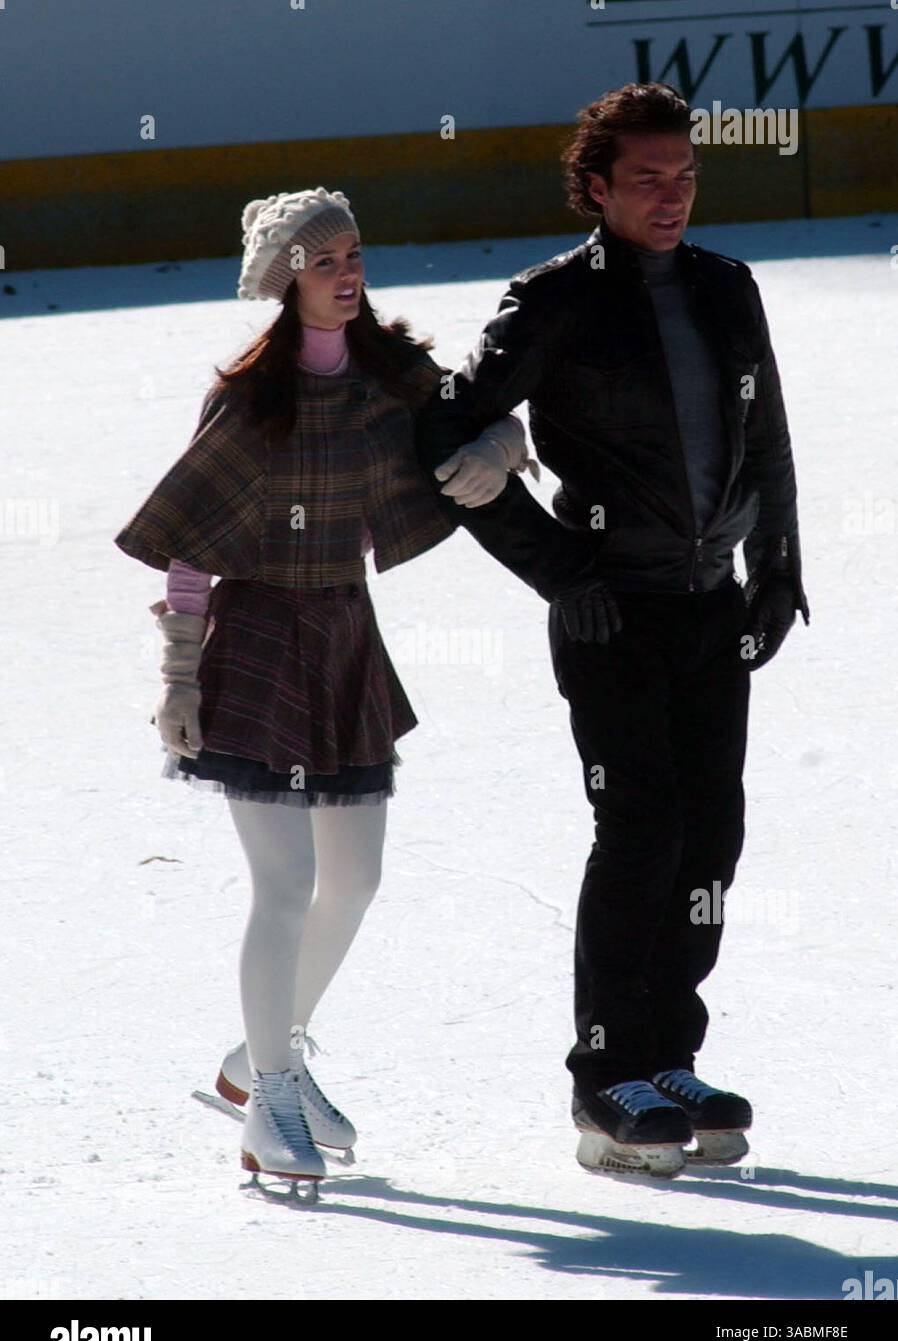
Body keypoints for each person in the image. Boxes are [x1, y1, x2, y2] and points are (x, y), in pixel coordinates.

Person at [414, 84, 810, 1177]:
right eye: (646, 179)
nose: (672, 196)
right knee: (638, 830)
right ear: (596, 187)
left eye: (684, 176)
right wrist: (554, 568)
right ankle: (604, 1078)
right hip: (610, 608)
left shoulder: (729, 288)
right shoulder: (550, 303)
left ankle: (669, 1055)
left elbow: (764, 431)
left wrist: (776, 565)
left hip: (710, 601)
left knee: (709, 833)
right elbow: (443, 440)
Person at [114, 187, 532, 1197]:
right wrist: (178, 675)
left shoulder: (392, 372)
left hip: (344, 635)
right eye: (323, 259)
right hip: (257, 643)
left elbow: (487, 418)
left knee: (354, 879)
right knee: (286, 882)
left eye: (353, 253)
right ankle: (267, 1099)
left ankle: (265, 1055)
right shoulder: (249, 398)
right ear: (282, 277)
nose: (346, 273)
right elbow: (189, 541)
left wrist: (500, 448)